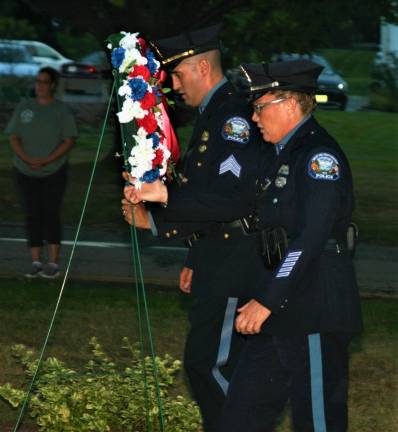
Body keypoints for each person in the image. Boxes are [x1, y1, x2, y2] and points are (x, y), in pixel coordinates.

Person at [122, 25, 269, 431]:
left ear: (202, 67)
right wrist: (192, 253)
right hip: (216, 257)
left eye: (178, 74)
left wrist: (161, 204)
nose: (172, 84)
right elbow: (205, 197)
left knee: (212, 366)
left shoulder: (233, 118)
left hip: (235, 261)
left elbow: (231, 198)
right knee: (211, 366)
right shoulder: (213, 115)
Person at [213, 60, 363, 431]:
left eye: (260, 106)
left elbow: (312, 237)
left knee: (316, 420)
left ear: (290, 105)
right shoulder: (281, 154)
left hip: (313, 306)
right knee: (241, 414)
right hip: (281, 306)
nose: (254, 116)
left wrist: (267, 299)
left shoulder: (318, 158)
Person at [6, 67, 78, 279]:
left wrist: (47, 159)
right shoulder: (24, 107)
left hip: (53, 171)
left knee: (50, 213)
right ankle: (35, 261)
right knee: (32, 213)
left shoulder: (61, 110)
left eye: (44, 82)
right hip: (24, 171)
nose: (40, 85)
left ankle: (53, 263)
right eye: (37, 81)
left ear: (52, 85)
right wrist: (27, 158)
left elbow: (69, 139)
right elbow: (13, 136)